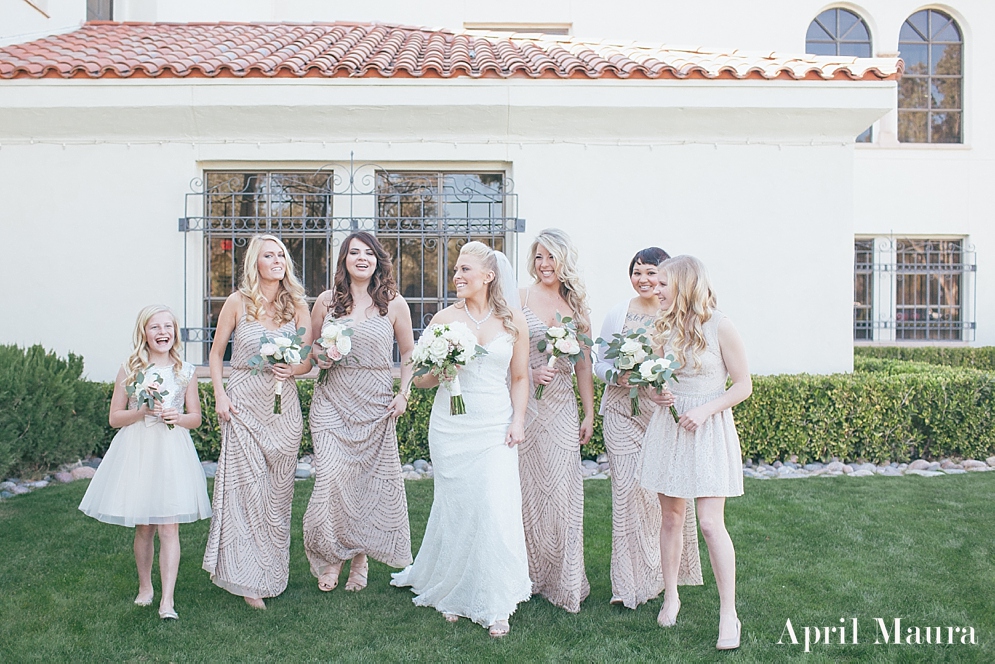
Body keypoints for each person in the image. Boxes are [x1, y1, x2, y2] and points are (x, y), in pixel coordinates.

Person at [391, 241, 532, 638]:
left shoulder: (512, 321)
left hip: (494, 424)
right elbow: (420, 379)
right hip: (451, 426)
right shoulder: (443, 319)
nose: (457, 276)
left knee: (492, 506)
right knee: (458, 506)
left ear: (488, 276)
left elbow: (520, 378)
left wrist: (518, 419)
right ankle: (454, 590)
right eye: (456, 269)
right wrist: (443, 368)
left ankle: (496, 600)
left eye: (465, 270)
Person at [641, 255, 751, 651]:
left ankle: (728, 613)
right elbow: (650, 385)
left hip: (708, 429)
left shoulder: (721, 325)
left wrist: (705, 409)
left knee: (708, 523)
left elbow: (743, 385)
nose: (656, 288)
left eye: (663, 282)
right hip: (670, 429)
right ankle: (671, 596)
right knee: (670, 517)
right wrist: (657, 393)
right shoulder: (660, 328)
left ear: (685, 284)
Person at [79, 305, 211, 620]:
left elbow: (195, 418)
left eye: (168, 326)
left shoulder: (186, 370)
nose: (162, 332)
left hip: (171, 449)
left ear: (175, 332)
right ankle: (145, 587)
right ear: (144, 333)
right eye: (155, 327)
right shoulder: (130, 369)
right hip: (138, 448)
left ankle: (167, 600)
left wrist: (176, 417)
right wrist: (142, 412)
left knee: (169, 526)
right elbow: (115, 417)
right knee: (145, 525)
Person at [202, 234, 312, 610]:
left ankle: (270, 572)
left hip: (284, 413)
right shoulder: (238, 302)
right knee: (247, 494)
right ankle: (248, 579)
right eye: (269, 255)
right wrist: (220, 395)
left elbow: (307, 361)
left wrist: (291, 367)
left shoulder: (297, 306)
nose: (277, 260)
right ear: (256, 263)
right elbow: (216, 354)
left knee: (277, 499)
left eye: (281, 254)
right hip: (244, 408)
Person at [303, 232, 415, 593]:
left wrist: (404, 393)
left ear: (378, 259)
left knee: (365, 485)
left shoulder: (394, 303)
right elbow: (311, 353)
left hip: (375, 403)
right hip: (332, 400)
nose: (362, 258)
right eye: (354, 252)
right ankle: (333, 557)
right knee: (332, 479)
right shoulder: (325, 301)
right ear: (344, 260)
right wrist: (320, 356)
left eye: (369, 252)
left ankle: (360, 561)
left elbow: (409, 354)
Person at [593, 248, 703, 610]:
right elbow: (599, 364)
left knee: (661, 498)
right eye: (637, 272)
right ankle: (628, 585)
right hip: (622, 413)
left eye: (652, 273)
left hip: (660, 416)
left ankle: (660, 576)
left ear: (667, 277)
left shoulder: (676, 315)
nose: (644, 280)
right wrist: (622, 375)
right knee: (626, 492)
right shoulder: (618, 313)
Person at [518, 228, 593, 613]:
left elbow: (583, 363)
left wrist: (589, 412)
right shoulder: (520, 297)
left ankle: (565, 579)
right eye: (538, 257)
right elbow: (506, 354)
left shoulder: (577, 307)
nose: (543, 265)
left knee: (563, 490)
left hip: (562, 405)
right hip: (526, 404)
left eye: (550, 257)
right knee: (527, 487)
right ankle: (528, 575)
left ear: (564, 260)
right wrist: (530, 375)